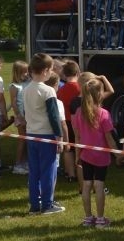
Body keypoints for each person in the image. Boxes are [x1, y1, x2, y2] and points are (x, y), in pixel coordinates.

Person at [71, 78, 118, 228]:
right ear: (99, 94)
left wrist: (78, 155)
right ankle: (100, 218)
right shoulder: (104, 113)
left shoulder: (79, 113)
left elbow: (77, 136)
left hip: (86, 155)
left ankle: (88, 218)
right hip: (101, 157)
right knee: (99, 185)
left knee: (86, 185)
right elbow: (109, 138)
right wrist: (118, 154)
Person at [23, 52, 65, 215]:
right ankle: (47, 204)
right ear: (46, 70)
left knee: (34, 171)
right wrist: (59, 137)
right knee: (49, 169)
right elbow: (54, 117)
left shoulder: (26, 89)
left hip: (31, 134)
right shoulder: (48, 90)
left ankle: (34, 205)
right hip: (46, 135)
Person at [55, 59, 82, 183]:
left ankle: (70, 174)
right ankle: (81, 172)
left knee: (68, 148)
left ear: (64, 75)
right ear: (78, 72)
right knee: (80, 148)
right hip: (78, 122)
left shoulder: (60, 89)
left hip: (65, 122)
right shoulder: (80, 88)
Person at [8, 60, 30, 175]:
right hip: (21, 117)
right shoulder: (14, 86)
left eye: (27, 72)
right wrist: (20, 117)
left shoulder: (27, 83)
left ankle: (25, 162)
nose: (26, 74)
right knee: (22, 139)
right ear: (17, 73)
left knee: (28, 140)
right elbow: (14, 103)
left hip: (29, 116)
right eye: (24, 72)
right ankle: (17, 164)